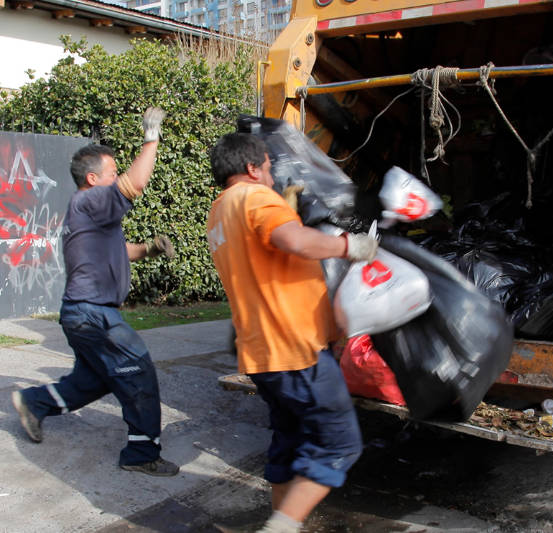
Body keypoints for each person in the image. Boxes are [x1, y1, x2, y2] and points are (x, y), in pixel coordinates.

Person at [206, 132, 376, 533]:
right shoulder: (255, 198)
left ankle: (283, 523)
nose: (270, 175)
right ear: (251, 168)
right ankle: (280, 528)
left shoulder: (218, 213)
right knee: (340, 445)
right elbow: (293, 240)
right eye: (267, 167)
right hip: (296, 350)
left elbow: (266, 254)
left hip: (261, 356)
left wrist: (285, 210)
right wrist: (350, 246)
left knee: (290, 444)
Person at [11, 107, 180, 476]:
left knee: (91, 381)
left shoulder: (91, 214)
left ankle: (34, 402)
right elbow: (134, 184)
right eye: (111, 172)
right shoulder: (90, 201)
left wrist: (147, 249)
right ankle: (141, 454)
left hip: (82, 313)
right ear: (92, 178)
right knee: (138, 373)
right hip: (94, 314)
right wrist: (151, 136)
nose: (117, 176)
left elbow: (119, 250)